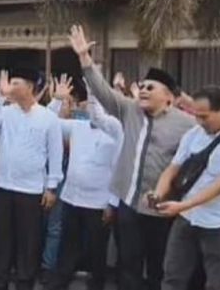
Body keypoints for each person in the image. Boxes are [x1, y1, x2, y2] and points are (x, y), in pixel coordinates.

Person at [69, 25, 196, 290]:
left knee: (160, 267)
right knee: (129, 267)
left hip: (162, 209)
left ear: (170, 98)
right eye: (142, 86)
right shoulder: (129, 111)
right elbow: (102, 91)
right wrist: (84, 59)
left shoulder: (187, 124)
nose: (144, 90)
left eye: (151, 87)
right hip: (128, 205)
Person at [0, 68, 64, 290]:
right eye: (10, 83)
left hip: (31, 189)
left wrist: (52, 187)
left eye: (16, 83)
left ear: (29, 87)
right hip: (2, 186)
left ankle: (25, 282)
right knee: (1, 238)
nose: (11, 86)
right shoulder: (6, 111)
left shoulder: (48, 118)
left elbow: (55, 155)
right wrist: (0, 96)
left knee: (28, 241)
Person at [152, 86, 220, 290]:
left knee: (217, 281)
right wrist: (157, 193)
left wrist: (183, 205)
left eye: (205, 117)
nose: (200, 122)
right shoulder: (194, 133)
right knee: (173, 275)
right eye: (197, 116)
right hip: (186, 217)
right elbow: (173, 168)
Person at [46, 76, 124, 290]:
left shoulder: (116, 130)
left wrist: (112, 203)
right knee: (67, 245)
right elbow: (48, 122)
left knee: (96, 249)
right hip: (72, 198)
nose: (89, 108)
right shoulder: (78, 127)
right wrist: (57, 99)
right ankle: (59, 282)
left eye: (94, 103)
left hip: (99, 203)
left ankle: (96, 284)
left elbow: (118, 170)